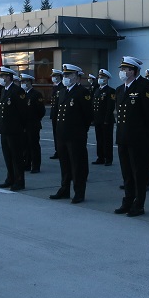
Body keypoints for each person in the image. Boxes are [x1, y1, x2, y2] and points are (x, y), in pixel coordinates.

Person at [113, 56, 149, 217]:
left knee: (139, 172)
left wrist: (145, 136)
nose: (122, 72)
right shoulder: (119, 89)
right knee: (127, 173)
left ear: (134, 71)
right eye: (122, 69)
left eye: (125, 69)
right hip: (123, 137)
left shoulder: (144, 86)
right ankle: (128, 201)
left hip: (138, 138)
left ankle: (139, 204)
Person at [49, 64, 93, 203]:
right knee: (65, 164)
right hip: (62, 134)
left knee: (77, 165)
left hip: (75, 135)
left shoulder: (82, 92)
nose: (65, 77)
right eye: (64, 75)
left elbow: (87, 116)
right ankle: (64, 189)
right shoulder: (62, 92)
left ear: (76, 76)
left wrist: (80, 131)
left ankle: (79, 192)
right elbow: (57, 113)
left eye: (68, 75)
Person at [0, 67, 29, 189]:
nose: (0, 79)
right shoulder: (4, 90)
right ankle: (10, 178)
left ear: (8, 77)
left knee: (16, 157)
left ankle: (19, 181)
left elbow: (23, 112)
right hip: (4, 128)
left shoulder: (17, 91)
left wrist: (21, 128)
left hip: (14, 129)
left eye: (2, 77)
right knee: (7, 156)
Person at [21, 73, 45, 173]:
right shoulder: (22, 95)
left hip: (33, 125)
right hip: (24, 125)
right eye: (22, 82)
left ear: (30, 82)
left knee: (33, 145)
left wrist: (34, 120)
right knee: (25, 146)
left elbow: (41, 111)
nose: (23, 84)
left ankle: (35, 165)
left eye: (25, 82)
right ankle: (26, 164)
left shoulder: (36, 94)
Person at [92, 69, 116, 166]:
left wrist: (106, 119)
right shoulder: (97, 90)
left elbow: (110, 107)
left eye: (102, 77)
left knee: (107, 140)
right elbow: (94, 105)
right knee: (99, 139)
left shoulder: (110, 91)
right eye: (99, 77)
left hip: (106, 120)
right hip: (98, 119)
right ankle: (100, 157)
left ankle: (108, 158)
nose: (100, 79)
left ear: (107, 79)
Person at [48, 69, 64, 159]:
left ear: (59, 77)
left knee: (59, 134)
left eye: (55, 76)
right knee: (55, 133)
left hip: (59, 114)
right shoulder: (55, 87)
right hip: (54, 114)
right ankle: (57, 150)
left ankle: (60, 151)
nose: (53, 78)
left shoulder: (62, 87)